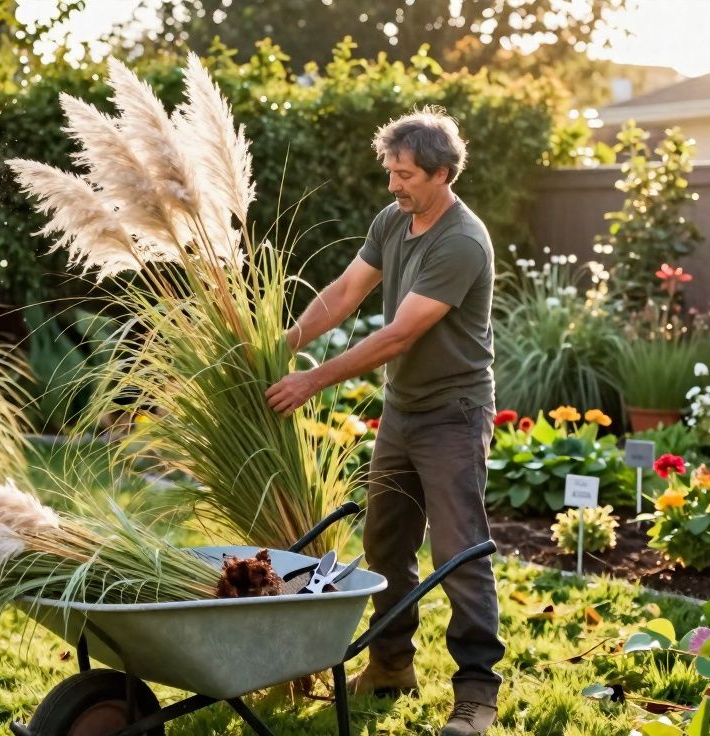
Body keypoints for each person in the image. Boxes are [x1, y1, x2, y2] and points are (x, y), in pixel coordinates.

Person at [265, 106, 503, 736]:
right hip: (403, 410)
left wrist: (313, 379)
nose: (394, 186)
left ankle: (477, 694)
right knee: (385, 543)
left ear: (443, 174)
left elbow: (398, 336)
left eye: (406, 176)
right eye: (391, 173)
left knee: (459, 551)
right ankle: (392, 663)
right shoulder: (393, 221)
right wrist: (288, 341)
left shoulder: (461, 241)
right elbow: (345, 294)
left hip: (454, 413)